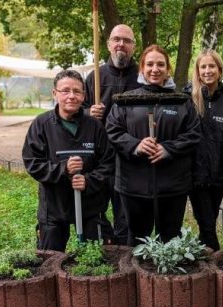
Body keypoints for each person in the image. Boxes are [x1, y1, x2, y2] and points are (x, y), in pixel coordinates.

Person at [106, 44, 200, 246]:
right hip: (133, 185)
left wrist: (169, 149)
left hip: (172, 185)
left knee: (170, 238)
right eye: (149, 64)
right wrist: (135, 145)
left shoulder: (181, 102)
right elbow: (113, 130)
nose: (154, 69)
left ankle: (166, 278)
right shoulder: (126, 101)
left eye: (160, 64)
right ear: (141, 68)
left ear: (168, 69)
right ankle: (138, 277)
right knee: (137, 238)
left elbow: (193, 134)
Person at [22, 70, 113, 251]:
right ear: (55, 93)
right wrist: (63, 169)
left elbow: (108, 163)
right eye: (65, 91)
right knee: (49, 260)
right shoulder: (42, 124)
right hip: (54, 207)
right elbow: (32, 162)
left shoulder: (94, 126)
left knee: (94, 260)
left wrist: (88, 180)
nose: (71, 96)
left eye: (77, 91)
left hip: (90, 207)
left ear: (84, 95)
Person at [83, 24, 141, 245]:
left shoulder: (141, 76)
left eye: (127, 41)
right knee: (97, 207)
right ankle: (106, 245)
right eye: (116, 39)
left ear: (133, 46)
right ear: (108, 44)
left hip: (130, 155)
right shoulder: (95, 76)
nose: (121, 44)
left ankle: (125, 251)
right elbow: (79, 109)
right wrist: (89, 112)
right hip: (100, 154)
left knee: (125, 211)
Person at [187, 49, 223, 251]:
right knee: (207, 224)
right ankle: (217, 262)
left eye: (212, 66)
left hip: (220, 174)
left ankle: (204, 263)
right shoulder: (188, 99)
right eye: (203, 67)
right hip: (194, 174)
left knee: (206, 220)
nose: (207, 71)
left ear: (219, 70)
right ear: (198, 70)